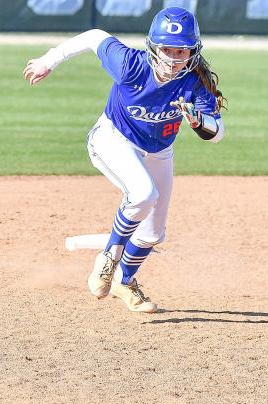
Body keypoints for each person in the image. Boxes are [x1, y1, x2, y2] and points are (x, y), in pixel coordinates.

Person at [23, 7, 226, 313]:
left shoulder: (196, 82)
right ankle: (108, 258)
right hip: (112, 139)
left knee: (153, 233)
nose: (173, 58)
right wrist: (48, 60)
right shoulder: (131, 65)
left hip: (159, 151)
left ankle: (124, 280)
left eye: (181, 51)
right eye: (166, 50)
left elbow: (218, 132)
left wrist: (199, 121)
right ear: (153, 47)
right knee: (143, 194)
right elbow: (94, 37)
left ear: (194, 51)